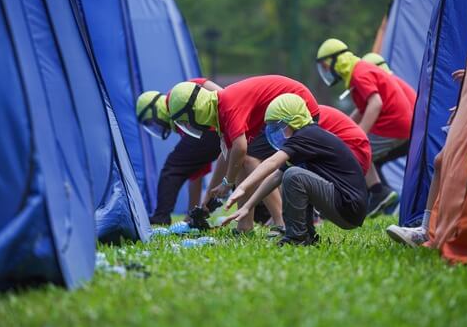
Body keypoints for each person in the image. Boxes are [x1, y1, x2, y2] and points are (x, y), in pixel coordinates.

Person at [385, 0, 467, 247]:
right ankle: (429, 230)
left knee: (454, 163)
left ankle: (443, 231)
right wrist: (466, 99)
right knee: (443, 161)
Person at [167, 75, 320, 234]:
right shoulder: (219, 111)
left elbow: (240, 149)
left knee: (249, 159)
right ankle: (244, 227)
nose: (188, 126)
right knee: (240, 160)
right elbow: (227, 157)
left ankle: (282, 222)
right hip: (282, 112)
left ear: (196, 110)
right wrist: (207, 200)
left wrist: (227, 183)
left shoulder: (227, 105)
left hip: (299, 108)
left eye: (186, 121)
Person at [221, 94, 368, 245]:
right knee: (292, 174)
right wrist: (247, 206)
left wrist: (243, 187)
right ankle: (307, 235)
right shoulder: (305, 139)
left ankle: (297, 237)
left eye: (277, 126)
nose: (273, 132)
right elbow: (275, 177)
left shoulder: (307, 135)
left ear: (293, 121)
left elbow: (272, 162)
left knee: (294, 175)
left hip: (349, 207)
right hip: (347, 206)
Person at [315, 39, 416, 217]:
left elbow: (375, 103)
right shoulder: (358, 73)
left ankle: (376, 194)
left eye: (326, 65)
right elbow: (362, 111)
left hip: (392, 126)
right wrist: (340, 130)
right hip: (395, 125)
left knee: (353, 150)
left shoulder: (359, 73)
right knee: (354, 149)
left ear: (335, 61)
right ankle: (378, 193)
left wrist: (357, 134)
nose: (326, 71)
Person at [136, 78, 222, 225]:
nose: (156, 127)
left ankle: (160, 218)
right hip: (218, 133)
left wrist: (230, 108)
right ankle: (261, 214)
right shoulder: (183, 125)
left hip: (214, 128)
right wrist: (192, 216)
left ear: (156, 109)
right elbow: (196, 174)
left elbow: (210, 86)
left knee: (171, 169)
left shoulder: (176, 96)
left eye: (153, 122)